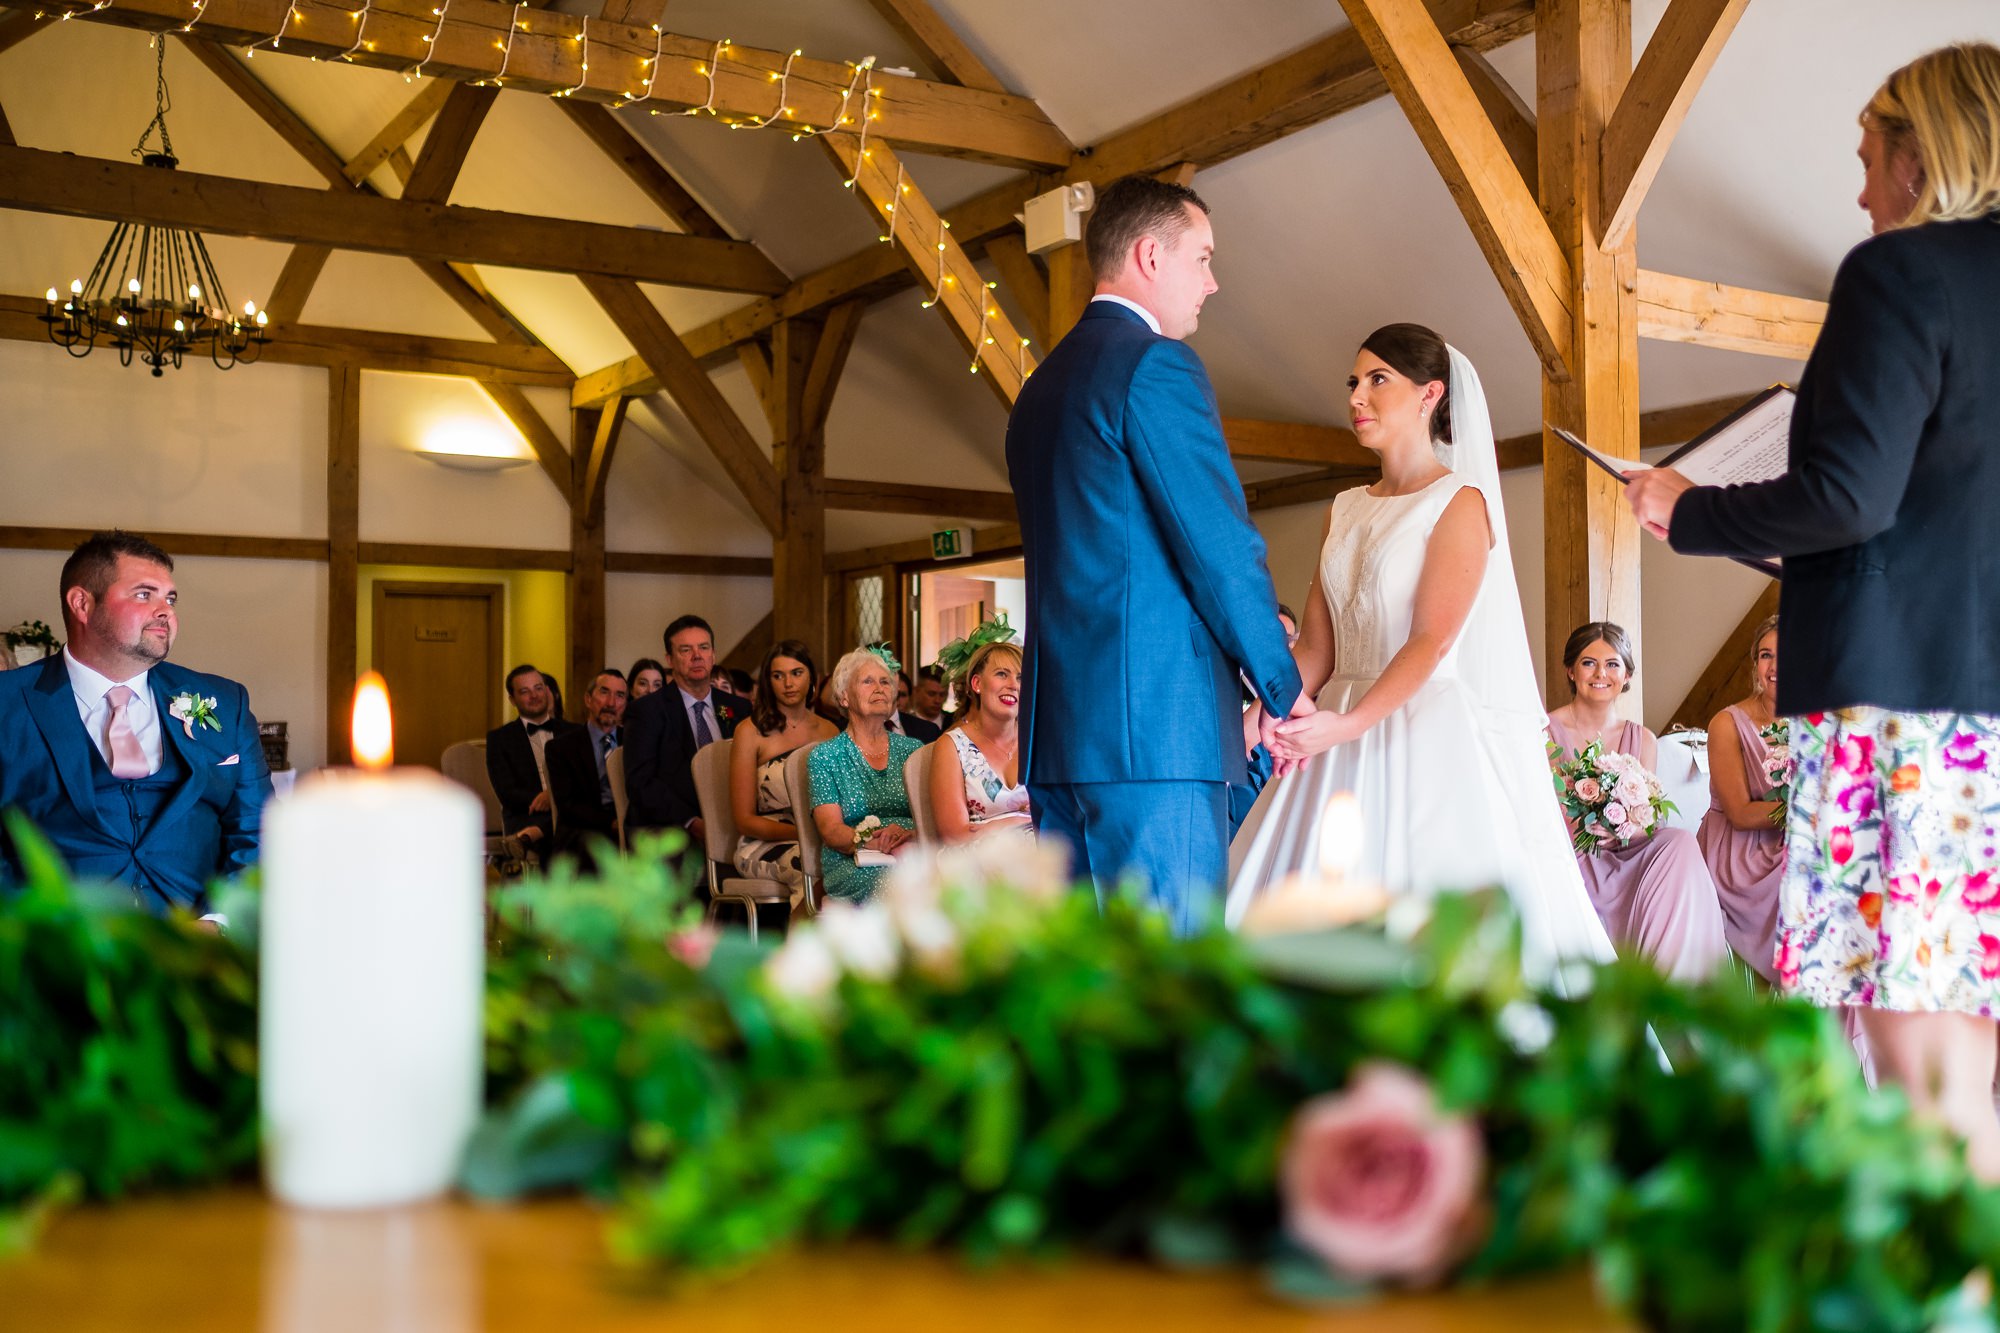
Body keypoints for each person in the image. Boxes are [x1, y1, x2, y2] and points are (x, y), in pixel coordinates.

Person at [1625, 44, 2000, 1175]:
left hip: (1903, 709)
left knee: (1902, 1016)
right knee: (1966, 1019)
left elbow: (1845, 493)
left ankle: (1950, 1276)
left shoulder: (1899, 275)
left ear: (1920, 155)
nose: (1857, 192)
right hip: (1981, 707)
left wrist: (1686, 509)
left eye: (1868, 159)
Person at [1228, 325, 1615, 984]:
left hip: (1414, 724)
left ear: (1430, 393)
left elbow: (1431, 641)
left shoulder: (1459, 503)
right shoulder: (1343, 507)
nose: (1358, 396)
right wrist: (1269, 706)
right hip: (1333, 726)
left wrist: (1346, 724)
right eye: (1354, 381)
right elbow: (1320, 643)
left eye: (1379, 379)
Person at [1006, 173, 1302, 935]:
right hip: (1154, 734)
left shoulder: (1040, 388)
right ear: (1148, 256)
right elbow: (1219, 547)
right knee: (1167, 977)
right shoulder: (1153, 365)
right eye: (1201, 257)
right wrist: (1281, 686)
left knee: (1081, 980)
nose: (1212, 281)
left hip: (1058, 734)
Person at [0, 531, 271, 917]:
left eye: (170, 598)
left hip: (196, 952)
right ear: (82, 603)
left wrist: (217, 922)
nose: (166, 611)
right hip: (56, 953)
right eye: (145, 594)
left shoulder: (227, 703)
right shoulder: (7, 703)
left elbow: (257, 834)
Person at [1545, 623, 1729, 983]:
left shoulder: (1641, 737)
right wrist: (1587, 823)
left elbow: (1646, 815)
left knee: (1679, 841)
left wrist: (1623, 822)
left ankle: (1681, 978)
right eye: (1588, 663)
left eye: (1612, 664)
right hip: (1570, 851)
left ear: (1626, 673)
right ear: (1570, 670)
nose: (1601, 674)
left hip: (1627, 849)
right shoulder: (1545, 732)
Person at [1698, 615, 1787, 983]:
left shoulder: (1819, 722)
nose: (1775, 667)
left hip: (1790, 841)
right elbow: (1740, 813)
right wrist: (1809, 810)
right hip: (1739, 852)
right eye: (1766, 656)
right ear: (1755, 665)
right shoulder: (1727, 723)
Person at [809, 647, 921, 902]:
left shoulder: (914, 750)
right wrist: (872, 840)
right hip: (855, 861)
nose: (879, 688)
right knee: (900, 887)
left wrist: (910, 834)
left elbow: (933, 818)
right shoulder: (826, 756)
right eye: (868, 681)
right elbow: (831, 829)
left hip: (912, 852)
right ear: (844, 697)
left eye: (884, 682)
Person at [623, 615, 747, 844]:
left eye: (703, 647)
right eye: (686, 650)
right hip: (669, 824)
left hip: (734, 819)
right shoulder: (647, 711)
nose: (697, 656)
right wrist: (691, 822)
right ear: (669, 659)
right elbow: (640, 783)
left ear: (714, 655)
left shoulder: (737, 707)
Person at [730, 640, 837, 899]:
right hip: (763, 842)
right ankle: (801, 939)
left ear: (812, 676)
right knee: (810, 866)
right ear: (768, 682)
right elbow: (744, 820)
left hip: (823, 835)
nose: (788, 684)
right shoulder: (750, 731)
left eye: (796, 673)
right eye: (778, 676)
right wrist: (804, 833)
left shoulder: (830, 731)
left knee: (857, 866)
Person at [930, 628, 1032, 843]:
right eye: (1002, 674)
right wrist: (1025, 819)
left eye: (1021, 678)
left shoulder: (1037, 741)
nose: (1013, 685)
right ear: (977, 684)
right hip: (978, 861)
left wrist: (996, 825)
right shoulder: (951, 746)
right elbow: (953, 835)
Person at [485, 664, 576, 854]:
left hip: (570, 810)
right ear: (512, 699)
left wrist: (553, 796)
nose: (534, 696)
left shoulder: (574, 733)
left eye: (538, 688)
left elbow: (582, 780)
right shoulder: (499, 739)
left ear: (547, 690)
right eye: (525, 691)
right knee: (568, 830)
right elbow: (507, 792)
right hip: (526, 815)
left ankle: (535, 833)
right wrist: (546, 800)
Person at [546, 668, 627, 867]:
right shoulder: (562, 747)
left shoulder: (636, 742)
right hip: (585, 828)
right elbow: (568, 805)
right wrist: (611, 823)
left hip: (631, 824)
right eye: (604, 692)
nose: (611, 703)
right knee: (593, 847)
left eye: (619, 696)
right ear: (588, 699)